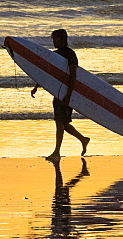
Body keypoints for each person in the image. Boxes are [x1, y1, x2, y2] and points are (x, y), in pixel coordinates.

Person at [31, 28, 90, 161]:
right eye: (53, 39)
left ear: (62, 39)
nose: (53, 41)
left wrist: (69, 95)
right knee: (64, 124)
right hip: (57, 93)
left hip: (66, 94)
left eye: (55, 39)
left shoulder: (70, 54)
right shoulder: (55, 55)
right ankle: (83, 139)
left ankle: (56, 153)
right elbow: (46, 74)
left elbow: (74, 76)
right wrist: (36, 87)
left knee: (59, 123)